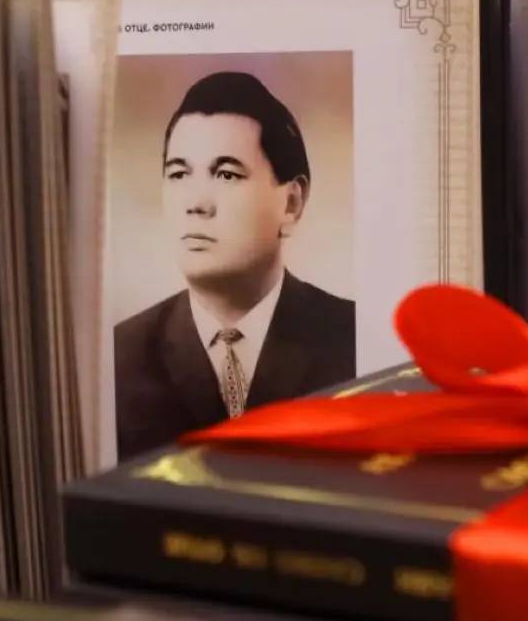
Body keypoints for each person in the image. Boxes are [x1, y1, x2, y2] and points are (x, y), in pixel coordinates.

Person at [113, 71, 355, 460]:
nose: (196, 204)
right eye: (178, 174)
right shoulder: (120, 355)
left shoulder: (352, 338)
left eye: (226, 174)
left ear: (291, 202)